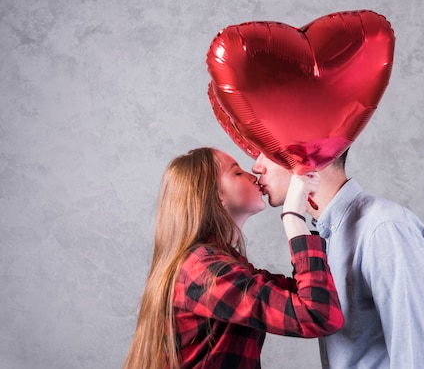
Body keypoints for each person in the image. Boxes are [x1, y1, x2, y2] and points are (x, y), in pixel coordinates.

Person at [123, 147, 343, 369]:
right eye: (237, 172)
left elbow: (309, 295)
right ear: (216, 196)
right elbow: (318, 314)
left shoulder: (220, 265)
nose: (253, 173)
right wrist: (293, 217)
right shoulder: (204, 272)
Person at [252, 148, 424, 368]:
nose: (256, 167)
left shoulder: (383, 229)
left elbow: (421, 359)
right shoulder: (330, 236)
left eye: (266, 151)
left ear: (308, 156)